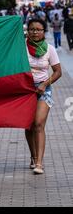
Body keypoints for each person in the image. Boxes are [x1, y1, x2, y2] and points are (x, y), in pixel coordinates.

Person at [25, 18, 62, 175]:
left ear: (43, 32)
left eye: (38, 29)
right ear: (27, 31)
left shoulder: (50, 49)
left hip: (43, 90)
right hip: (25, 91)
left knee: (38, 124)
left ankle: (39, 162)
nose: (35, 32)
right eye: (32, 29)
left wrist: (44, 84)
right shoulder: (21, 48)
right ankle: (33, 157)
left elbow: (58, 72)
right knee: (28, 126)